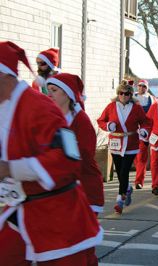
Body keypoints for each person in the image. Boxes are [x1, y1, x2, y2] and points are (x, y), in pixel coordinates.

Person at [0, 41, 102, 265]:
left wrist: (10, 168)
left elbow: (68, 158)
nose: (51, 93)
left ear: (3, 75)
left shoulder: (39, 107)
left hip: (58, 216)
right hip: (22, 209)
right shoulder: (5, 106)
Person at [47, 73, 104, 214]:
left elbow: (83, 156)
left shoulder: (81, 121)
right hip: (62, 188)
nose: (50, 95)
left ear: (67, 94)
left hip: (84, 187)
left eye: (54, 91)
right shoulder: (54, 118)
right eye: (49, 91)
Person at [97, 80, 151, 214]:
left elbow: (145, 122)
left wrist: (144, 131)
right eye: (121, 93)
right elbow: (101, 120)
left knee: (124, 171)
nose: (124, 96)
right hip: (115, 142)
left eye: (127, 94)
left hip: (131, 142)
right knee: (119, 169)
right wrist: (108, 126)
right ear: (118, 93)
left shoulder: (137, 108)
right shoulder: (111, 106)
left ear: (131, 94)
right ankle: (127, 188)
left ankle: (120, 200)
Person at [133, 79, 156, 189]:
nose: (142, 88)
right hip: (131, 131)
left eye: (144, 86)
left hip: (144, 131)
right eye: (140, 86)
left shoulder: (151, 99)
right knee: (135, 157)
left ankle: (139, 181)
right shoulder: (131, 97)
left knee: (142, 156)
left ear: (147, 88)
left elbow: (153, 117)